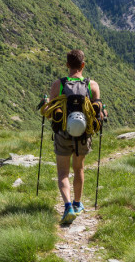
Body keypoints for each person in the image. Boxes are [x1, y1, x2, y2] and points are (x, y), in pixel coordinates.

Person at [42, 50, 107, 224]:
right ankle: (78, 203)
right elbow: (97, 110)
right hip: (84, 135)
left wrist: (47, 103)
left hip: (63, 133)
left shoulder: (59, 85)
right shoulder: (92, 85)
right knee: (79, 169)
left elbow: (49, 111)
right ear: (83, 65)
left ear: (67, 65)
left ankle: (68, 206)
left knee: (63, 172)